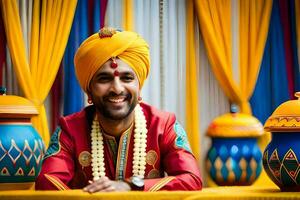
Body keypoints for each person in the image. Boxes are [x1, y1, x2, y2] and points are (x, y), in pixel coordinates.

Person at [36, 27, 202, 192]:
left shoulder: (164, 125)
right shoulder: (70, 130)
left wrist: (131, 186)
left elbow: (191, 179)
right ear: (90, 90)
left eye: (127, 78)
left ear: (139, 87)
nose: (117, 88)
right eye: (104, 78)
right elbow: (46, 182)